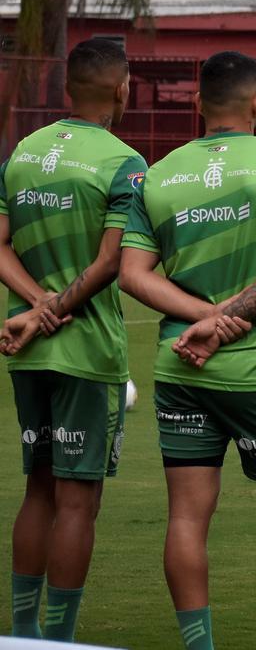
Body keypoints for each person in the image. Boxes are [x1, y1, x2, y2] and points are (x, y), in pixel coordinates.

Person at [118, 51, 256, 650]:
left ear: (197, 106)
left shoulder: (158, 174)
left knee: (186, 520)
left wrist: (202, 318)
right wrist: (225, 320)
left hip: (181, 366)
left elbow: (132, 273)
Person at [0, 38, 145, 641]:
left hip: (26, 348)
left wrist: (33, 306)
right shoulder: (124, 161)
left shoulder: (22, 153)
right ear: (120, 90)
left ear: (66, 89)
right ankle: (57, 639)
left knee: (38, 488)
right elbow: (113, 262)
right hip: (86, 351)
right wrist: (53, 307)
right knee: (78, 499)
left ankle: (23, 632)